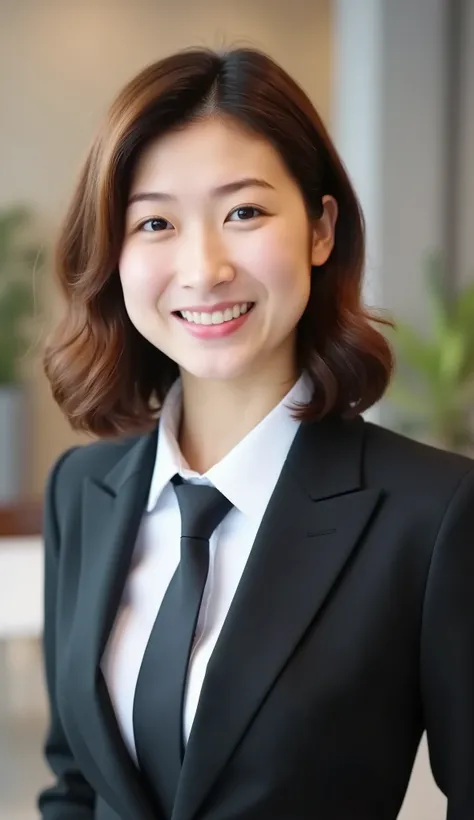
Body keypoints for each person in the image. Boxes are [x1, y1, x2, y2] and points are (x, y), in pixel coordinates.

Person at [37, 46, 474, 820]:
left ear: (319, 228)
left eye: (244, 212)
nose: (203, 269)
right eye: (156, 222)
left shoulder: (434, 513)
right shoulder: (83, 490)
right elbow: (76, 784)